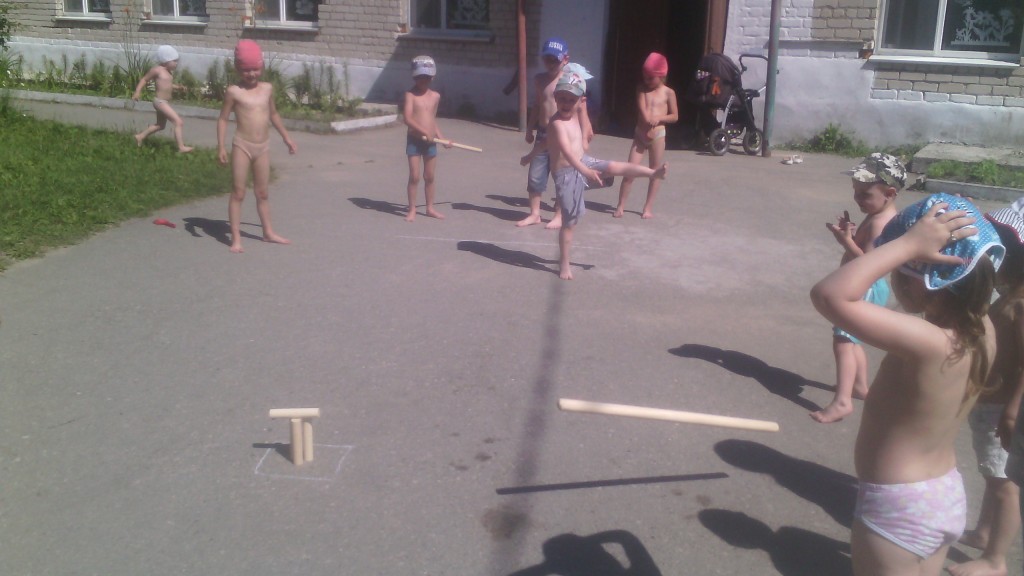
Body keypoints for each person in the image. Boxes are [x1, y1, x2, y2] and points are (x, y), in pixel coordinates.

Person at [811, 193, 1005, 576]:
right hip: (944, 493)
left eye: (899, 269)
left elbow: (829, 295)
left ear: (921, 281)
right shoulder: (983, 330)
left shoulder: (930, 342)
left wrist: (909, 244)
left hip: (899, 503)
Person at [952, 203, 1024, 576]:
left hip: (1001, 411)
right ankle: (984, 533)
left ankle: (996, 560)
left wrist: (1012, 411)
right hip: (989, 405)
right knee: (991, 475)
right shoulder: (1009, 296)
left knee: (1004, 484)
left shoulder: (1021, 304)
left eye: (1003, 251)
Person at [811, 153, 905, 424]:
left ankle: (842, 402)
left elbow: (869, 262)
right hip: (867, 287)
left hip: (863, 287)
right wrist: (852, 236)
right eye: (855, 191)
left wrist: (846, 242)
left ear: (889, 193)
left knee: (843, 342)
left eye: (865, 194)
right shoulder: (879, 214)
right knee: (853, 341)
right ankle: (861, 386)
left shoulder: (880, 222)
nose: (857, 199)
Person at [547, 68, 666, 280]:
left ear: (580, 102)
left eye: (571, 100)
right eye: (562, 98)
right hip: (566, 175)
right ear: (555, 97)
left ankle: (652, 172)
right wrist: (585, 171)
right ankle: (564, 264)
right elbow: (566, 152)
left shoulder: (575, 114)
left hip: (582, 162)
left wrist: (584, 139)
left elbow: (560, 142)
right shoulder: (556, 123)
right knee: (570, 223)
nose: (566, 103)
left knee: (613, 166)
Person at [216, 40, 297, 253]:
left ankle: (268, 232)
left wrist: (286, 137)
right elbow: (223, 119)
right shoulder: (234, 91)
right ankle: (235, 238)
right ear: (237, 68)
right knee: (238, 192)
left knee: (262, 193)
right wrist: (221, 146)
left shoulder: (267, 89)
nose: (251, 74)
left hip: (263, 147)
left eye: (255, 69)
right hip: (242, 146)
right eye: (246, 70)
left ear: (261, 67)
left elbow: (274, 114)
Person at [517, 37, 595, 230]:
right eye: (547, 59)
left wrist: (585, 135)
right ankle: (535, 213)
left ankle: (559, 214)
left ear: (565, 59)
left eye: (555, 60)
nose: (551, 63)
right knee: (535, 174)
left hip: (565, 135)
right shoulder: (539, 80)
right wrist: (529, 128)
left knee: (563, 175)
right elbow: (537, 105)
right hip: (544, 133)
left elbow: (582, 110)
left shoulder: (569, 81)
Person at [614, 52, 677, 220]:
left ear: (661, 76)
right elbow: (642, 107)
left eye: (650, 78)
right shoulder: (641, 89)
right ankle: (621, 205)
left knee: (654, 172)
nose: (646, 81)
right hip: (640, 135)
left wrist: (659, 118)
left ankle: (647, 208)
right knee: (630, 171)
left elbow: (674, 116)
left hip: (658, 136)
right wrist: (648, 118)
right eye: (645, 77)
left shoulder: (668, 93)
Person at [402, 55, 450, 222]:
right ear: (414, 77)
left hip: (431, 142)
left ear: (432, 77)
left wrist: (442, 138)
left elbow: (432, 120)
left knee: (429, 176)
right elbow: (407, 118)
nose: (423, 80)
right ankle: (412, 209)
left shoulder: (435, 96)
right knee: (414, 176)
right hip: (414, 140)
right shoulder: (410, 95)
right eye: (419, 77)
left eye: (426, 77)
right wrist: (424, 131)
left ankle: (430, 208)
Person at [132, 45, 193, 153]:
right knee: (178, 122)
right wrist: (137, 92)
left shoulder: (168, 72)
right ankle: (181, 147)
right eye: (174, 61)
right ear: (166, 60)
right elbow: (144, 79)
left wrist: (178, 87)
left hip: (164, 102)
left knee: (160, 125)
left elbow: (167, 84)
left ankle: (140, 136)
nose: (176, 64)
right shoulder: (157, 70)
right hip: (160, 102)